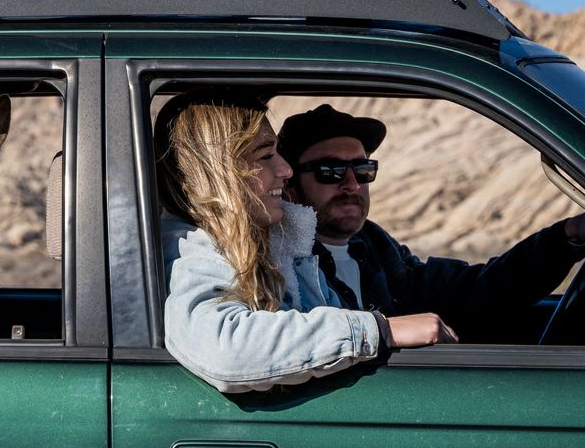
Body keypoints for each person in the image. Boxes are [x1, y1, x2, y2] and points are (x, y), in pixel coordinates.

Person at [155, 92, 457, 394]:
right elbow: (224, 349)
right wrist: (380, 330)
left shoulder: (294, 244)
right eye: (266, 156)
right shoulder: (189, 251)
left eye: (363, 170)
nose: (285, 170)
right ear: (220, 169)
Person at [277, 104, 585, 341]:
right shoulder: (280, 264)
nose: (352, 184)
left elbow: (476, 289)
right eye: (330, 171)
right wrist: (383, 331)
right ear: (289, 184)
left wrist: (567, 236)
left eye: (363, 170)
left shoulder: (376, 248)